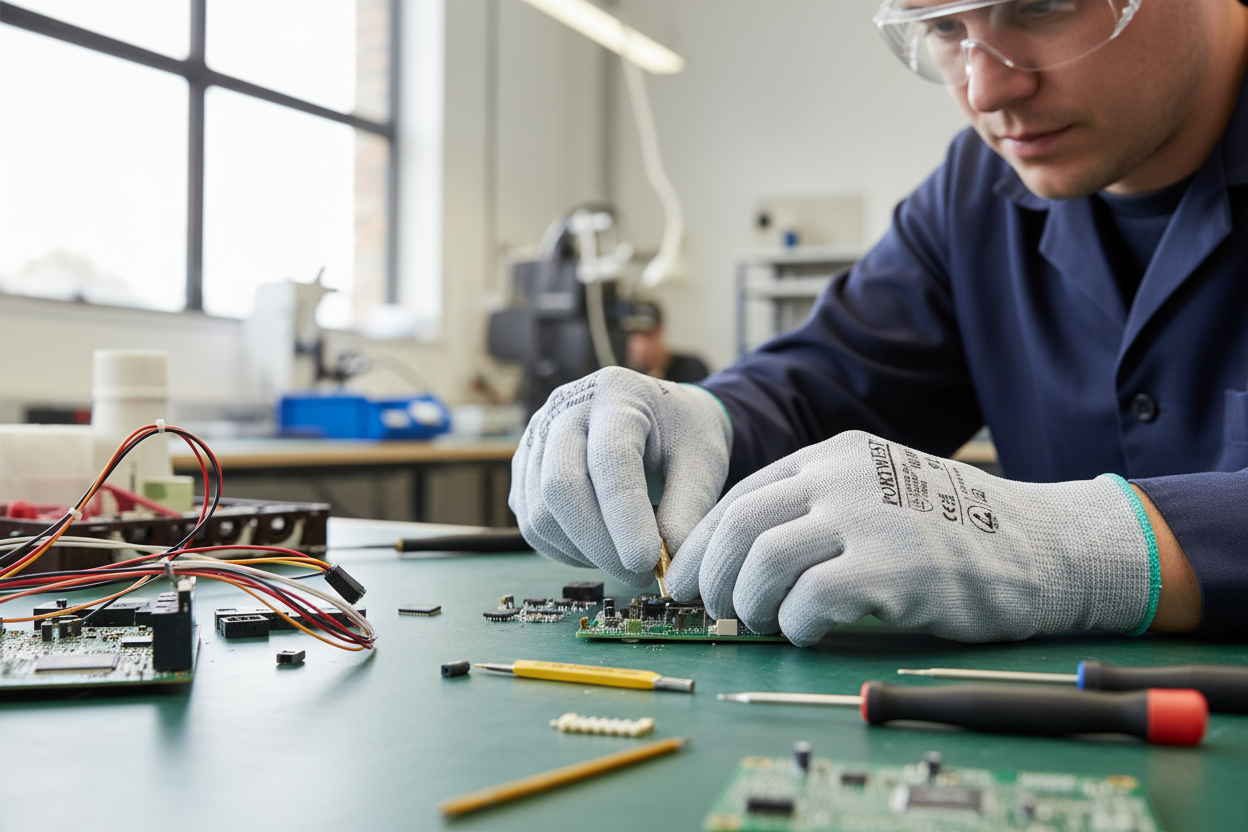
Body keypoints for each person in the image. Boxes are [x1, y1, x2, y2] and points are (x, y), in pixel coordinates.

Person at [510, 0, 1248, 646]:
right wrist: (698, 419)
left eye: (1043, 4)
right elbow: (834, 377)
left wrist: (1077, 549)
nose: (987, 88)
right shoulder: (977, 192)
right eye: (945, 27)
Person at [620, 301, 711, 383]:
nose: (640, 343)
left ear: (661, 330)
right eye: (633, 334)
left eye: (646, 335)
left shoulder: (692, 368)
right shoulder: (626, 376)